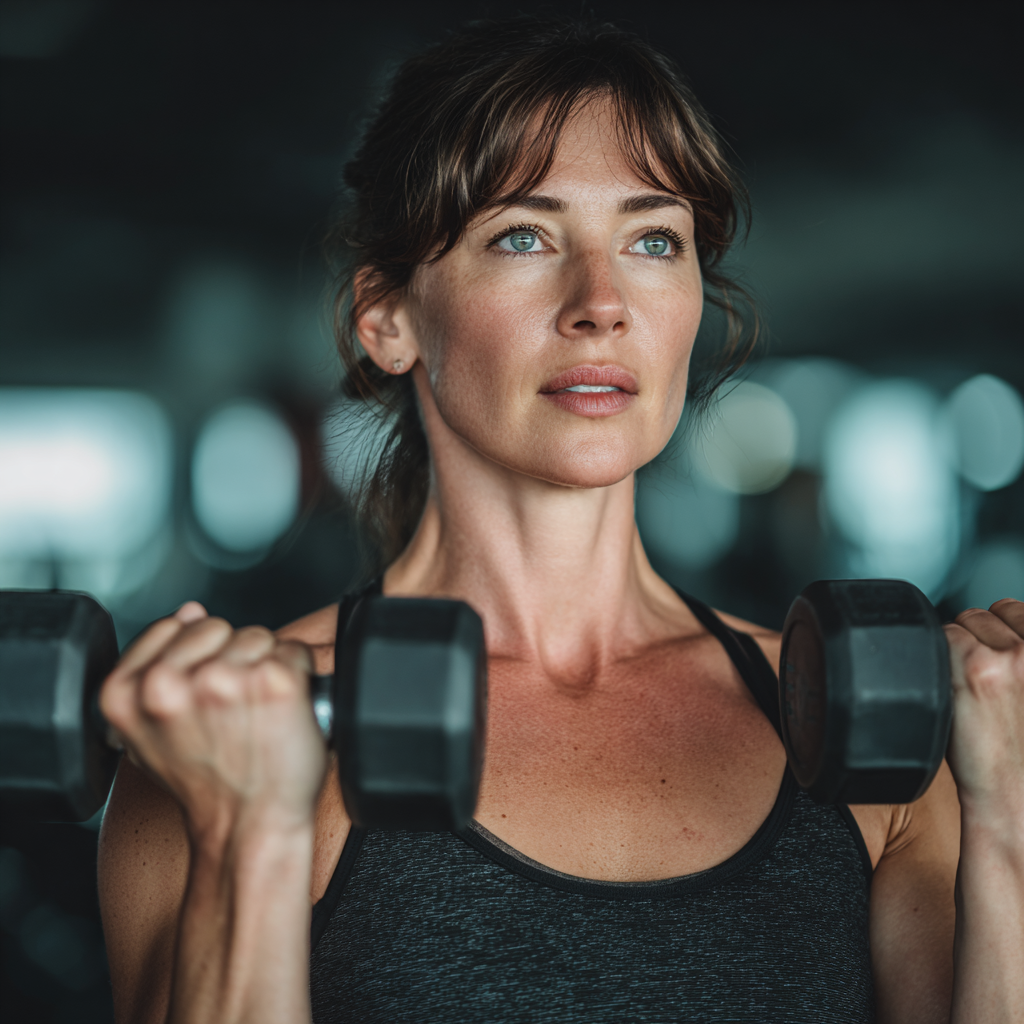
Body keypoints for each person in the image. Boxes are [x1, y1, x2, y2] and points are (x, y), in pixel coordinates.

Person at [97, 18, 1024, 1024]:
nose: (600, 302)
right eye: (523, 236)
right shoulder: (219, 751)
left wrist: (1009, 819)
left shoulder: (870, 749)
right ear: (389, 317)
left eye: (652, 240)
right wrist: (249, 835)